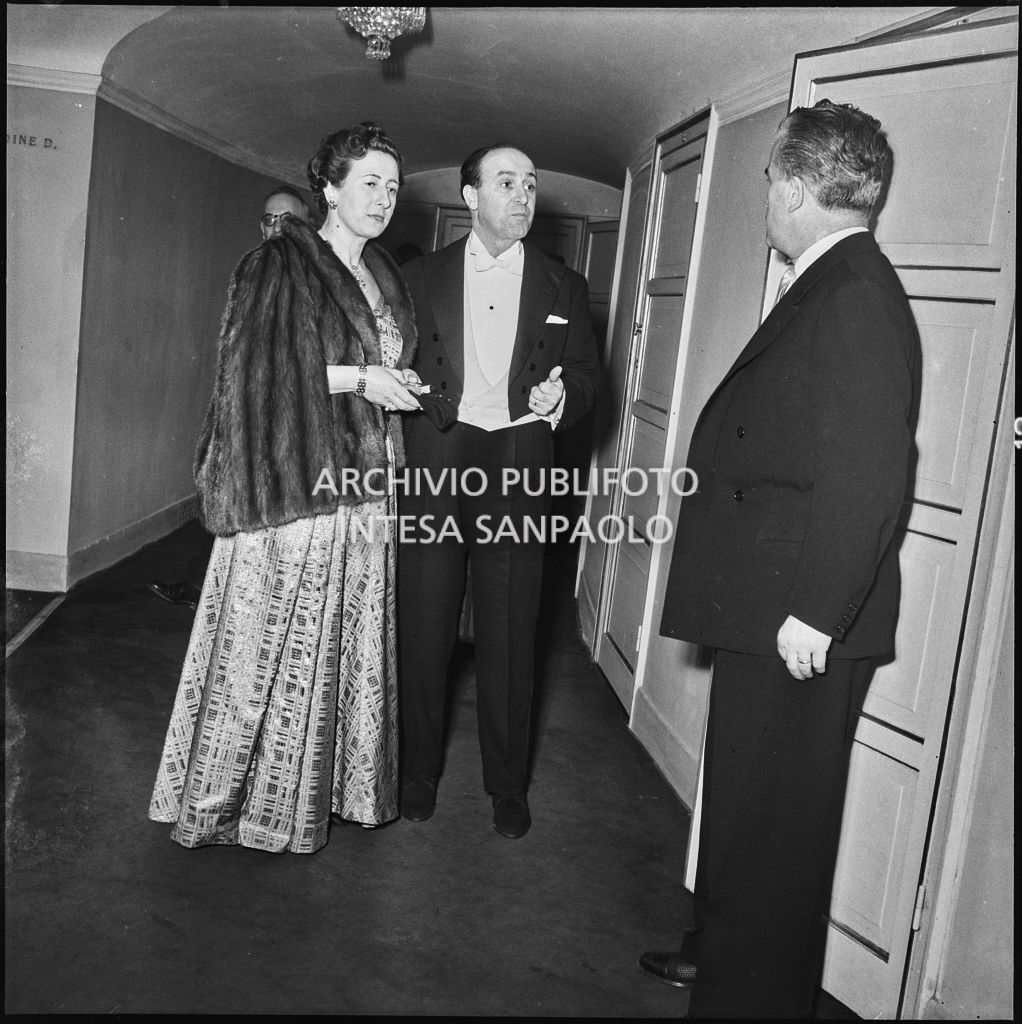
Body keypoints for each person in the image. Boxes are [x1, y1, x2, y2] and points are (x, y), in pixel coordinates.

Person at [640, 100, 920, 1017]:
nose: (764, 191)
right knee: (746, 816)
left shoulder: (856, 295)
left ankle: (747, 998)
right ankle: (724, 957)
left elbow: (872, 474)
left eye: (767, 176)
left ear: (797, 188)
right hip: (772, 609)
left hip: (801, 621)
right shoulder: (831, 281)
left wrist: (816, 611)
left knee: (774, 838)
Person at [148, 122, 423, 853]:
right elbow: (254, 374)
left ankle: (322, 794)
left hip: (366, 487)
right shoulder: (281, 262)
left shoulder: (385, 274)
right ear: (328, 189)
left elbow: (369, 365)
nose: (384, 198)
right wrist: (363, 378)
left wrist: (396, 384)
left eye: (393, 187)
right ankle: (220, 804)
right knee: (266, 651)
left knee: (337, 651)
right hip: (294, 484)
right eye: (369, 182)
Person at [397, 144, 601, 838]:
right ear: (470, 194)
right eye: (506, 182)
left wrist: (560, 396)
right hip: (438, 450)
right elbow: (393, 361)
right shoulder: (419, 276)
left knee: (512, 627)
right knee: (425, 620)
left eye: (531, 184)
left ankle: (506, 783)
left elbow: (587, 377)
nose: (522, 195)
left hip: (518, 454)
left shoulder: (562, 285)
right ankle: (416, 772)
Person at [147, 184, 313, 609]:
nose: (275, 227)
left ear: (305, 224)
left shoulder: (313, 275)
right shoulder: (256, 269)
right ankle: (201, 587)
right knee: (224, 496)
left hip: (287, 415)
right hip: (246, 407)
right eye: (268, 219)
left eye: (285, 219)